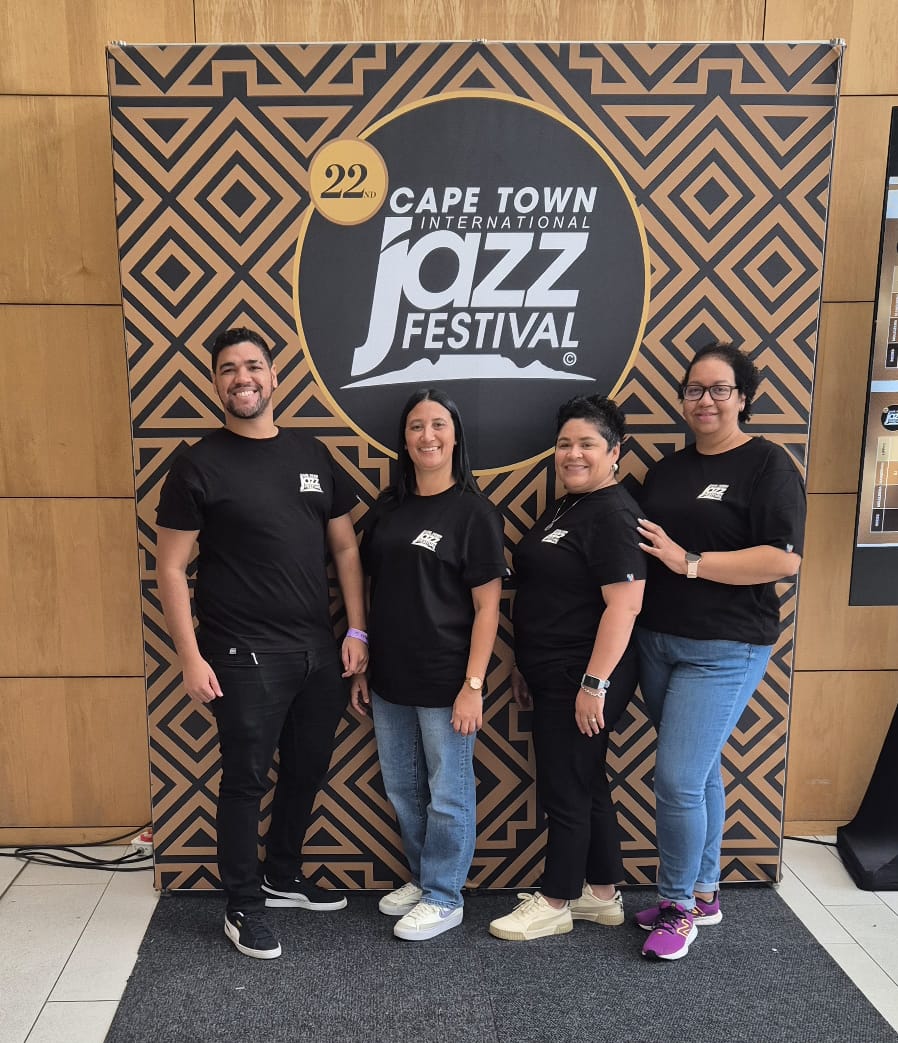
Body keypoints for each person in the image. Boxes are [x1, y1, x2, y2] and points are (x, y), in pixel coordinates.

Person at [155, 326, 368, 961]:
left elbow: (345, 548)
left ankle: (282, 875)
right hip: (240, 654)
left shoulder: (312, 454)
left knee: (306, 768)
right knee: (245, 780)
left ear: (274, 377)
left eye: (252, 366)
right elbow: (171, 568)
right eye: (228, 369)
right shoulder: (198, 464)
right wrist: (190, 657)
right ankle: (243, 904)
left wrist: (357, 629)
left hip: (318, 651)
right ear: (215, 383)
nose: (242, 378)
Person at [634, 341, 806, 961]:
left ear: (744, 398)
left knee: (677, 780)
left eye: (719, 389)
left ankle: (677, 906)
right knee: (699, 772)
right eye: (694, 390)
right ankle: (704, 892)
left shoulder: (768, 465)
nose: (704, 400)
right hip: (658, 641)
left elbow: (783, 559)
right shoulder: (666, 471)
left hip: (726, 647)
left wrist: (690, 562)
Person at [350, 388, 506, 941]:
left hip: (447, 678)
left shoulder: (474, 512)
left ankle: (445, 897)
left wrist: (473, 685)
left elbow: (488, 607)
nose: (428, 435)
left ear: (455, 435)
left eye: (439, 424)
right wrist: (363, 664)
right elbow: (370, 584)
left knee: (448, 792)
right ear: (404, 438)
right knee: (403, 787)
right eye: (416, 426)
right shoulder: (388, 508)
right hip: (390, 677)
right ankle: (422, 878)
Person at [488, 395, 646, 941]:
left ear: (614, 451)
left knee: (566, 785)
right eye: (564, 444)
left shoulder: (614, 513)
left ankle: (556, 900)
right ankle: (601, 894)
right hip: (551, 670)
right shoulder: (568, 506)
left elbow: (625, 605)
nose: (573, 454)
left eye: (587, 444)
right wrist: (523, 663)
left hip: (583, 673)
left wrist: (593, 685)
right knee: (585, 778)